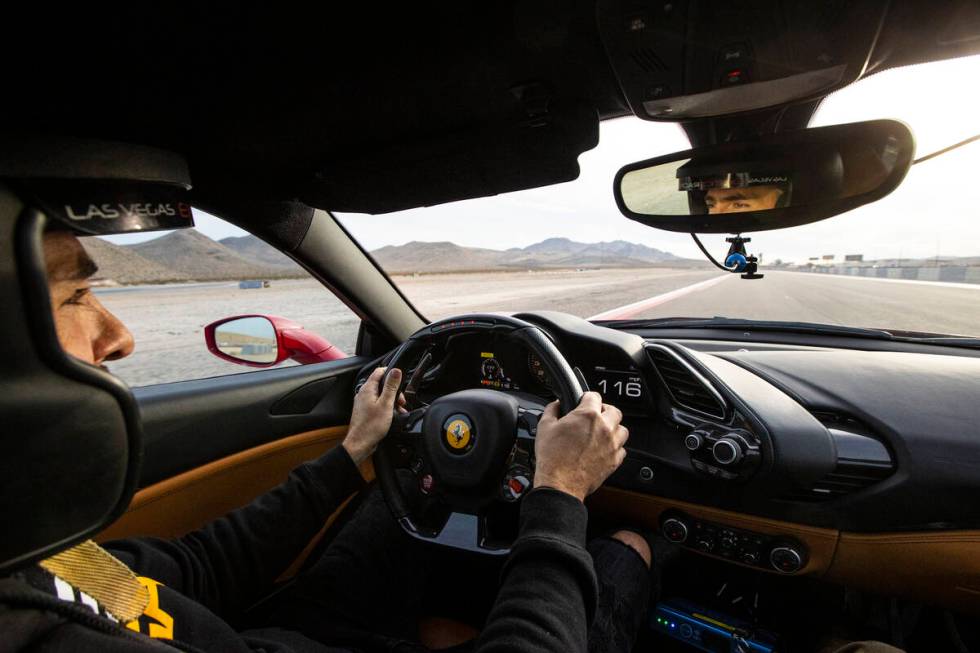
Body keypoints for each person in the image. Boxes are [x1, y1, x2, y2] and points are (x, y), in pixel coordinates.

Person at [0, 227, 660, 653]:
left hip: (278, 636)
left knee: (390, 514)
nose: (120, 336)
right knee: (623, 551)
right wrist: (559, 493)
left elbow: (198, 572)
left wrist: (353, 454)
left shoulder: (34, 562)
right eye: (76, 293)